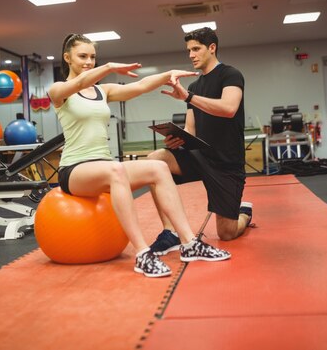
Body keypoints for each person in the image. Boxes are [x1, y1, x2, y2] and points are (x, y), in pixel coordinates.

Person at [48, 33, 231, 278]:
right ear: (67, 57)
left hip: (104, 166)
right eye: (83, 56)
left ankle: (189, 243)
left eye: (93, 56)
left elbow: (141, 86)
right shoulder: (59, 91)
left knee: (157, 167)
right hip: (75, 170)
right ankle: (142, 254)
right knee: (116, 171)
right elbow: (79, 84)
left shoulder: (103, 91)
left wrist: (167, 76)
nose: (89, 61)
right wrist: (110, 66)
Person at [147, 27, 253, 254]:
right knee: (155, 161)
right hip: (200, 157)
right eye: (188, 50)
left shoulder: (231, 75)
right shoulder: (195, 86)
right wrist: (178, 139)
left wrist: (188, 96)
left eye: (196, 49)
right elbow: (190, 129)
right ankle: (169, 232)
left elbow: (229, 108)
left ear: (212, 48)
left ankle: (244, 213)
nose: (191, 55)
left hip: (227, 164)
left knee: (227, 233)